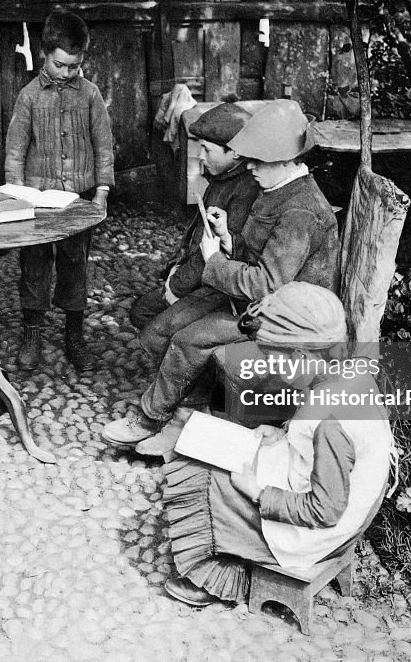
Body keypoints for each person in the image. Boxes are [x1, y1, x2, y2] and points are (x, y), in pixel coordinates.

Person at [102, 101, 340, 448]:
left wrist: (214, 262)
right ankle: (186, 416)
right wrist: (229, 239)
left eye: (259, 160)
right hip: (256, 307)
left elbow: (265, 285)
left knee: (189, 338)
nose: (251, 166)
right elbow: (260, 261)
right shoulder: (278, 190)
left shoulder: (300, 210)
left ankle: (154, 419)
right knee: (169, 328)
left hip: (288, 327)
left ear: (287, 160)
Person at [159, 283, 393, 608]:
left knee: (207, 476)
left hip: (318, 528)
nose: (274, 370)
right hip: (321, 487)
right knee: (220, 445)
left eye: (275, 361)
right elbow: (317, 440)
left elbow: (323, 511)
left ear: (300, 356)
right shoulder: (344, 374)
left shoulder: (332, 421)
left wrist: (256, 492)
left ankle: (217, 577)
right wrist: (282, 433)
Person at [4, 8, 115, 373]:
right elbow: (16, 149)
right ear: (44, 54)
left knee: (75, 266)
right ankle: (32, 333)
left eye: (74, 66)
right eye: (60, 65)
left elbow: (103, 145)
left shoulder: (90, 94)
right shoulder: (29, 97)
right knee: (34, 266)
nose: (67, 72)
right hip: (37, 203)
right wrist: (16, 192)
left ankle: (74, 335)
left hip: (78, 201)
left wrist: (100, 191)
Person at [128, 102, 259, 332]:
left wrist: (176, 288)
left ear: (236, 152)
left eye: (207, 150)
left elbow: (215, 252)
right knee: (143, 311)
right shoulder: (222, 176)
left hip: (216, 285)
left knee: (144, 314)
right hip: (198, 275)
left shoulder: (245, 191)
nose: (200, 156)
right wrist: (175, 268)